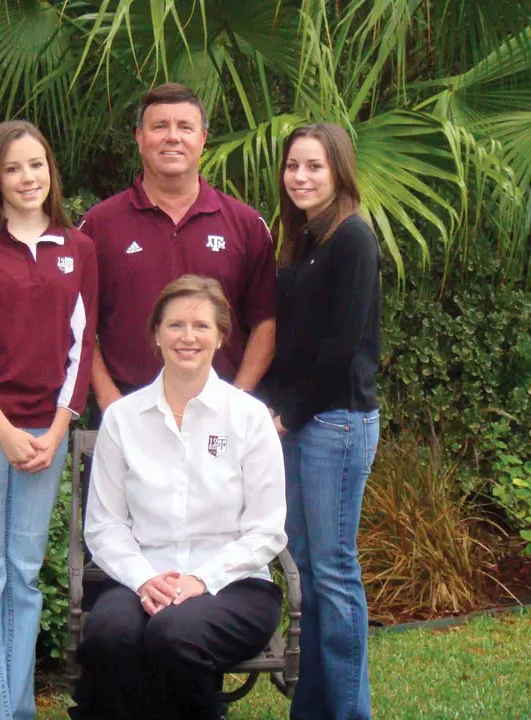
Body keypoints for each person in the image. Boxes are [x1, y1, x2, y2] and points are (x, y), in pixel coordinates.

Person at [0, 120, 98, 720]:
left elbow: (82, 349)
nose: (28, 177)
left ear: (50, 172)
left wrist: (56, 431)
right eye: (12, 168)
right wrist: (3, 430)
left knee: (24, 576)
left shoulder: (77, 248)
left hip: (44, 434)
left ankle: (18, 710)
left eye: (37, 165)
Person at [70, 275, 287, 720]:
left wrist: (201, 580)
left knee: (173, 633)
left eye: (201, 326)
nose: (188, 337)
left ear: (221, 336)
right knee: (111, 634)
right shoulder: (123, 419)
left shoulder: (248, 418)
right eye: (175, 326)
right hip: (141, 578)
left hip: (235, 584)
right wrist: (144, 579)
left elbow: (266, 531)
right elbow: (105, 525)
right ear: (156, 334)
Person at [265, 123, 381, 720]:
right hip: (301, 423)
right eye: (293, 166)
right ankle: (312, 710)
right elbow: (295, 344)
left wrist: (289, 414)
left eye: (314, 166)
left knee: (333, 573)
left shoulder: (353, 238)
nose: (301, 177)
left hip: (336, 423)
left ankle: (348, 712)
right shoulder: (302, 240)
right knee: (306, 571)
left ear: (339, 170)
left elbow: (340, 347)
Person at [78, 82, 276, 423]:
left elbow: (266, 322)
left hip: (220, 414)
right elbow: (78, 323)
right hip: (126, 410)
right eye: (159, 126)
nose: (173, 137)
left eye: (185, 127)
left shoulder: (246, 226)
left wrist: (238, 399)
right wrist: (110, 401)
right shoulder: (98, 226)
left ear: (203, 138)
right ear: (140, 138)